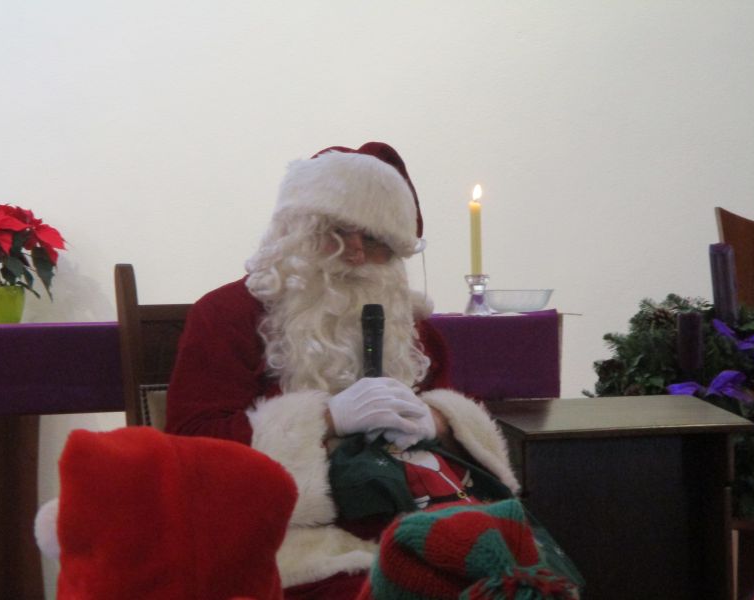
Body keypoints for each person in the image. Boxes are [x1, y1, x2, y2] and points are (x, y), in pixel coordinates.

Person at [166, 142, 519, 598]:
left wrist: (438, 422)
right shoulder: (226, 314)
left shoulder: (413, 329)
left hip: (414, 518)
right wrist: (327, 419)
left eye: (373, 240)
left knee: (518, 576)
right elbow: (190, 448)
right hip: (290, 539)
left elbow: (460, 444)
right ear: (296, 228)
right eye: (336, 232)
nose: (354, 253)